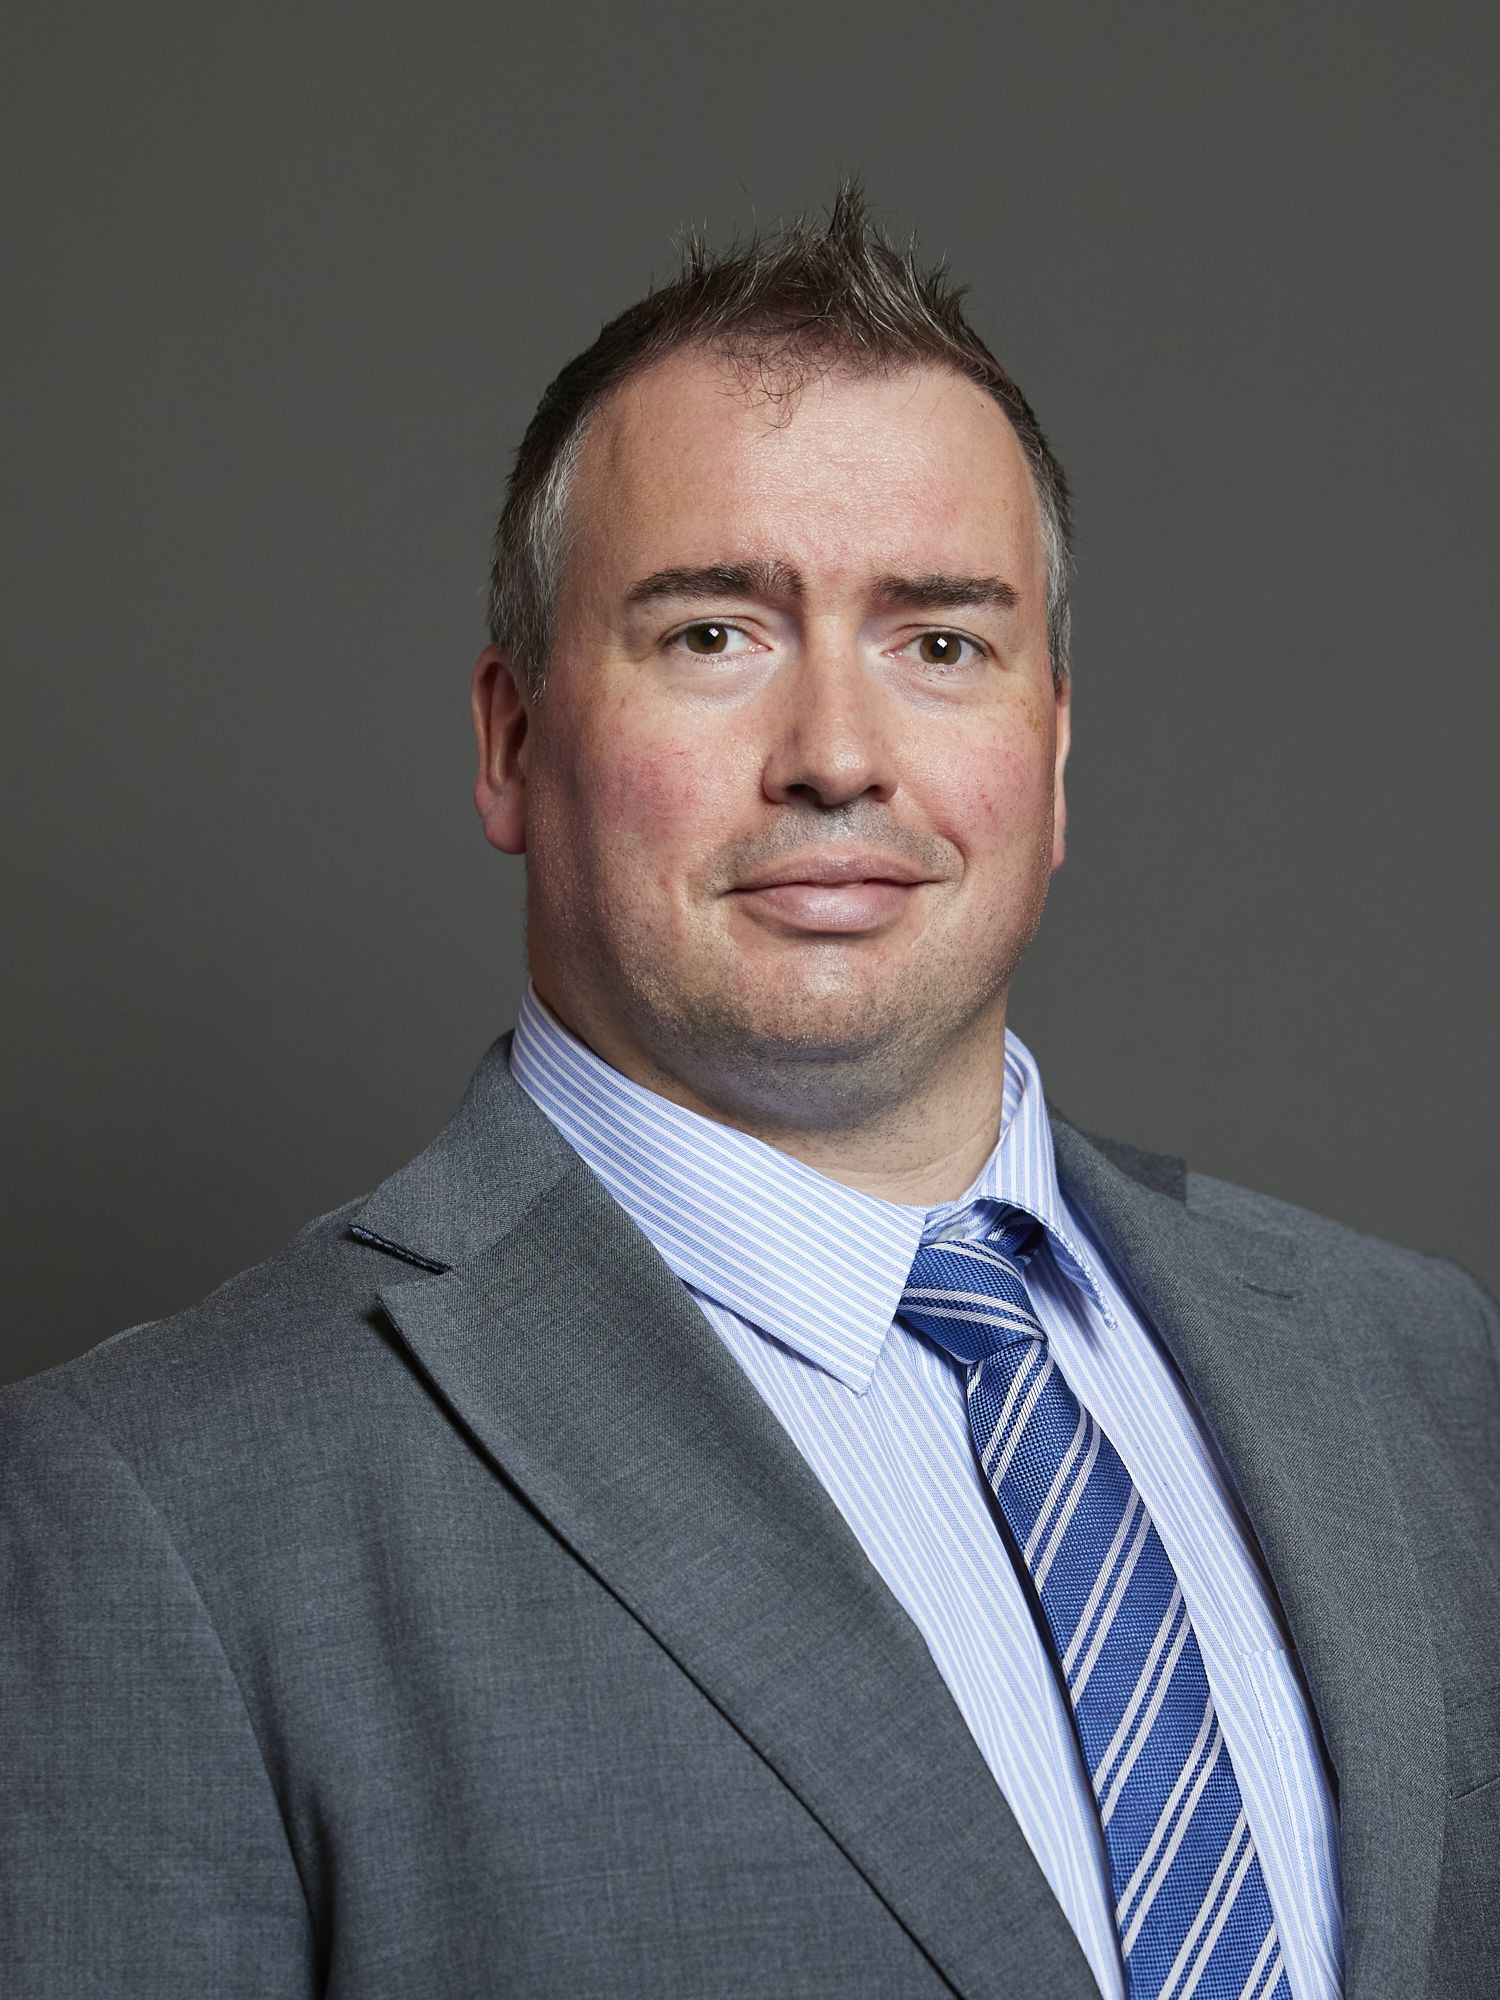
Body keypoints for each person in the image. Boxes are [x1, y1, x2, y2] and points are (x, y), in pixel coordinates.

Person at [2, 189, 1495, 2000]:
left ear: (1053, 751)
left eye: (939, 643)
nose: (838, 758)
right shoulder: (154, 1512)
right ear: (513, 741)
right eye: (715, 633)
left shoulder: (1426, 1370)